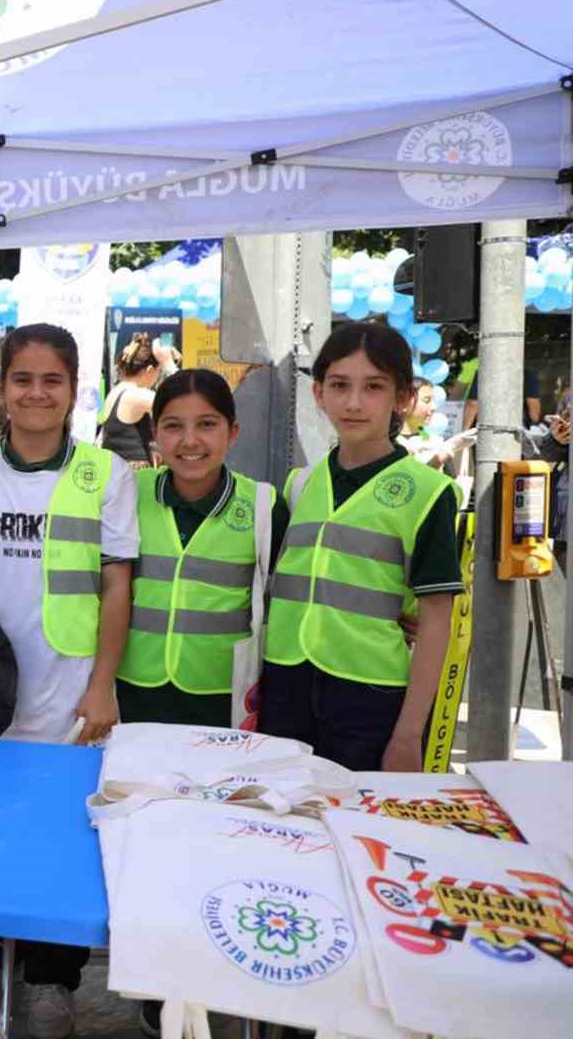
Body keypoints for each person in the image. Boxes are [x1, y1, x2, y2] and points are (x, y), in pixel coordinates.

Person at [0, 323, 136, 1039]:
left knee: (60, 839)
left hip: (69, 691)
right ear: (3, 388)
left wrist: (103, 684)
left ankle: (51, 981)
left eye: (53, 380)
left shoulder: (108, 476)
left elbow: (117, 586)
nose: (37, 392)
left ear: (75, 390)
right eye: (23, 378)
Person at [261, 321, 462, 773]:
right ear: (318, 393)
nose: (353, 402)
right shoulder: (299, 485)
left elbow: (435, 620)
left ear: (403, 398)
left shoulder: (429, 493)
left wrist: (409, 735)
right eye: (339, 385)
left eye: (373, 387)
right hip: (285, 687)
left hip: (369, 698)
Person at [118, 371, 289, 731]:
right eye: (173, 426)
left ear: (234, 432)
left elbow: (290, 603)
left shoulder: (263, 506)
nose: (190, 441)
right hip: (132, 692)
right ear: (154, 432)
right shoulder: (126, 493)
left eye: (207, 424)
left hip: (223, 697)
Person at [97, 333, 178, 469]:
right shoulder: (136, 395)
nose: (157, 377)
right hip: (133, 475)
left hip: (115, 470)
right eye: (159, 371)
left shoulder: (117, 390)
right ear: (150, 370)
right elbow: (184, 404)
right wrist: (168, 363)